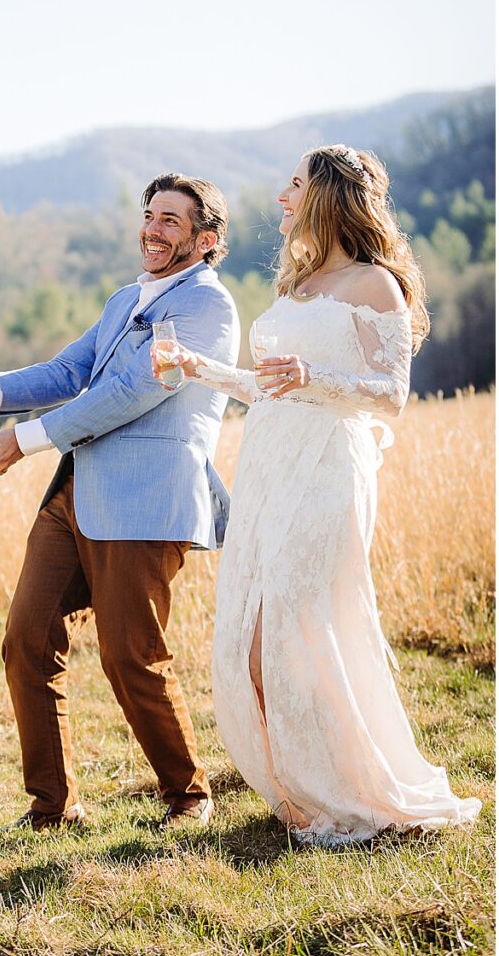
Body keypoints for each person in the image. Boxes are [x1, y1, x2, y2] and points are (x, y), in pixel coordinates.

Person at [148, 145, 479, 842]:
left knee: (295, 634)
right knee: (252, 640)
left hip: (329, 469)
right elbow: (267, 388)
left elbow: (392, 394)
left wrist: (313, 377)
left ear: (326, 196)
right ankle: (299, 795)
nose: (282, 197)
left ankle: (347, 791)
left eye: (294, 184)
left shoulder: (375, 286)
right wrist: (197, 366)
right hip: (270, 469)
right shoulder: (294, 286)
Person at [0, 174, 242, 829]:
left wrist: (25, 440)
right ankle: (53, 806)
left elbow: (129, 391)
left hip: (146, 501)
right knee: (26, 639)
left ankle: (189, 796)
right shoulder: (125, 298)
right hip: (75, 495)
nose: (151, 229)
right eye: (149, 215)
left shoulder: (210, 308)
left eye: (171, 222)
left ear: (205, 241)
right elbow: (68, 372)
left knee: (131, 653)